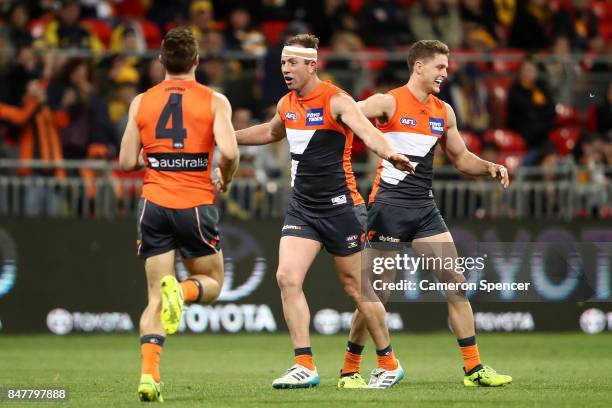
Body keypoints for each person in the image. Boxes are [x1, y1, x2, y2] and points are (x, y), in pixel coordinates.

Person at [235, 33, 414, 389]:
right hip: (302, 209)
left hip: (341, 208)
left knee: (358, 289)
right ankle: (304, 364)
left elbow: (366, 131)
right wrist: (225, 134)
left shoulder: (337, 100)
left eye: (292, 63)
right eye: (283, 62)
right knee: (287, 277)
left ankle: (389, 362)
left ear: (311, 65)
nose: (285, 68)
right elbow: (271, 132)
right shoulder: (286, 103)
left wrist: (390, 152)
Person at [353, 39, 513, 387]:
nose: (445, 72)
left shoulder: (444, 112)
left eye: (446, 66)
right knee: (377, 294)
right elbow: (345, 114)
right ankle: (351, 367)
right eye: (440, 66)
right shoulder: (387, 101)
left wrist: (489, 167)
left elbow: (460, 157)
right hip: (387, 208)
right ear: (419, 67)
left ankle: (473, 369)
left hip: (424, 210)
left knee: (456, 284)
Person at [119, 26, 239, 402]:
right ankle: (183, 292)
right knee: (213, 282)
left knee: (154, 295)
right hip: (195, 205)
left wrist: (154, 157)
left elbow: (125, 161)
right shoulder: (214, 100)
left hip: (154, 205)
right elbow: (231, 153)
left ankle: (149, 377)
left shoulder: (141, 101)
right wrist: (226, 176)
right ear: (197, 62)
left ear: (161, 62)